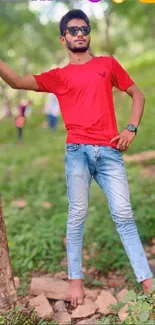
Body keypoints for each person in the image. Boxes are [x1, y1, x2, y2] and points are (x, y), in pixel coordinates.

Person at [0, 9, 153, 308]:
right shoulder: (58, 77)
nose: (79, 33)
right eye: (73, 30)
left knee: (124, 215)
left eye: (84, 28)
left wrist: (131, 129)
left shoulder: (107, 65)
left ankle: (147, 281)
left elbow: (138, 94)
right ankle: (75, 282)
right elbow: (17, 82)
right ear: (63, 38)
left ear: (90, 33)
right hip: (77, 153)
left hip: (110, 152)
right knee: (77, 215)